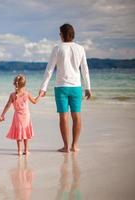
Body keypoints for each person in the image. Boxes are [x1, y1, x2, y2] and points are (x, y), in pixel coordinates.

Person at [39, 23, 92, 153]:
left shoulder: (57, 48)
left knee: (63, 117)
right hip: (76, 87)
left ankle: (66, 147)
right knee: (77, 116)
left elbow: (49, 70)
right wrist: (88, 87)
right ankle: (74, 145)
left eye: (60, 33)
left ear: (62, 35)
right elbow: (85, 70)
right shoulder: (80, 48)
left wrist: (43, 87)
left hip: (61, 88)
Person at [1, 74, 40, 155]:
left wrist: (3, 114)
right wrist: (40, 95)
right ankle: (26, 150)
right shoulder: (27, 93)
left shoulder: (12, 95)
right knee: (25, 133)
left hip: (17, 116)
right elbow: (35, 102)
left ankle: (19, 151)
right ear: (24, 84)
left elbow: (7, 105)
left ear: (15, 84)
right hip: (26, 116)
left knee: (19, 133)